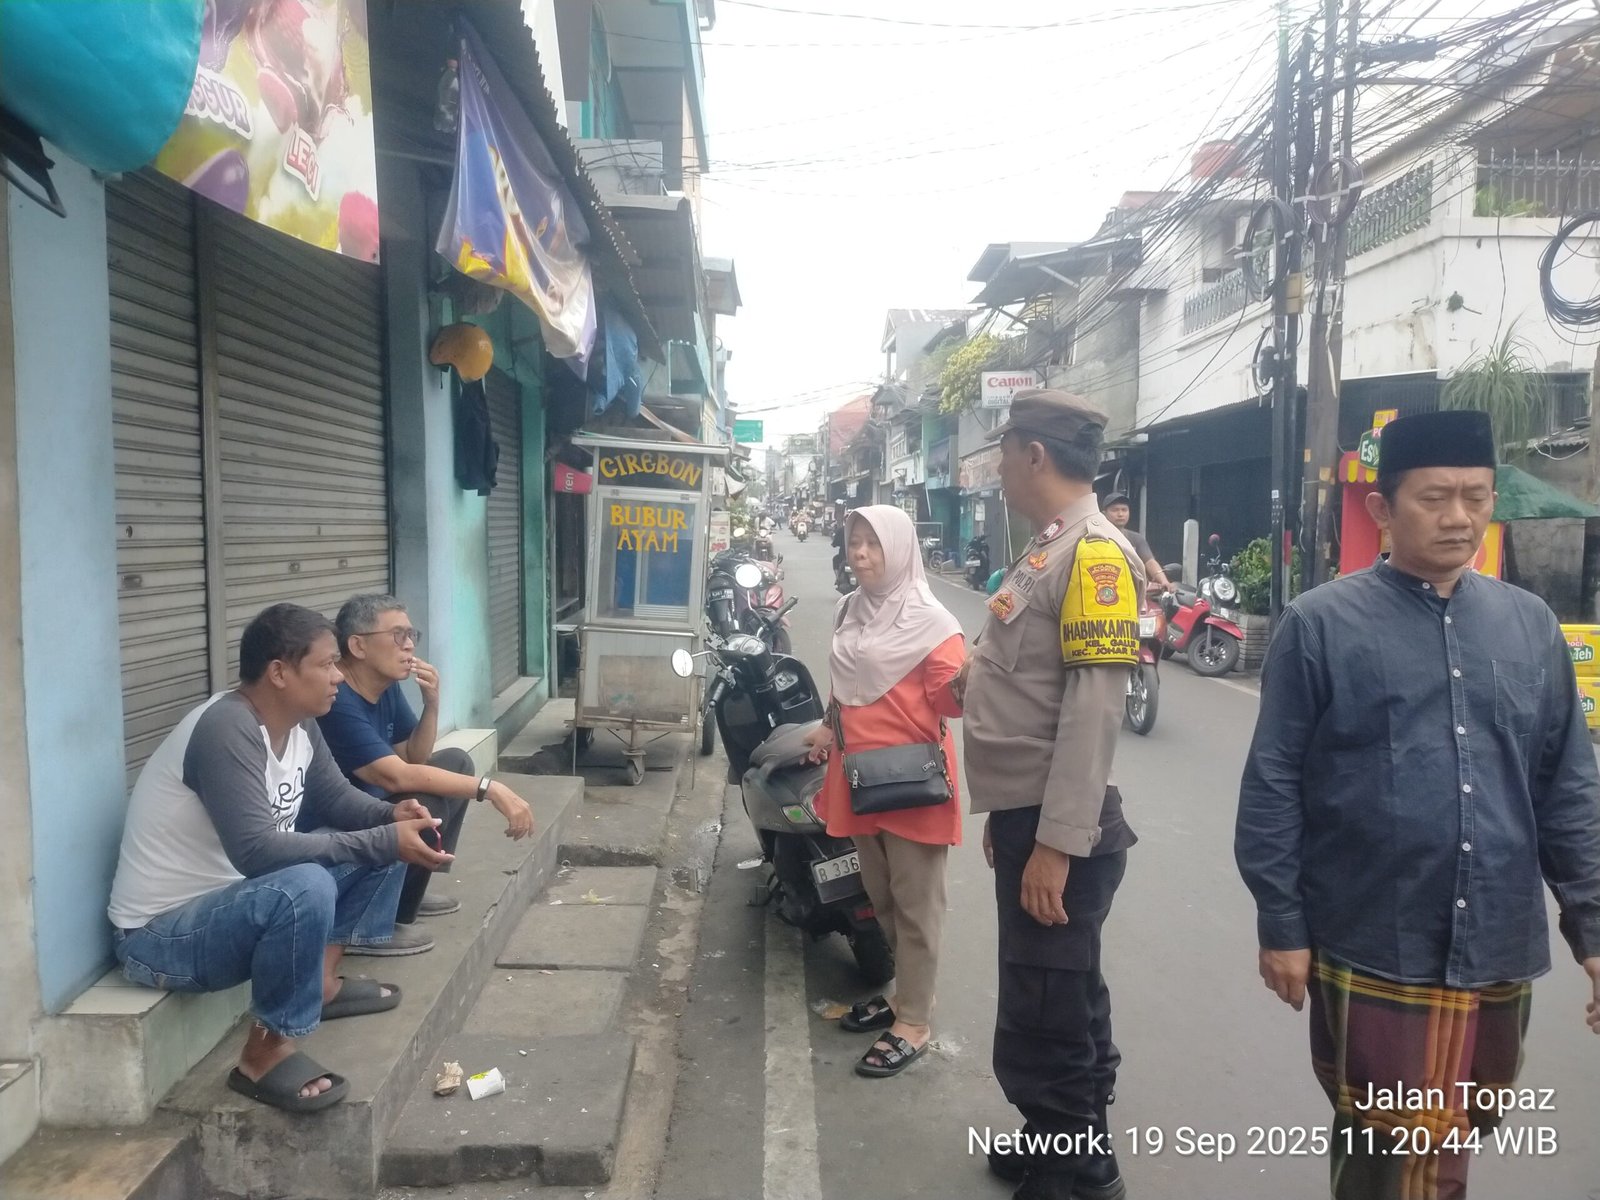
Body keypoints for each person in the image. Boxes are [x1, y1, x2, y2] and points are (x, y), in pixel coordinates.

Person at [1236, 409, 1600, 1200]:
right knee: (1394, 1155)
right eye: (1435, 498)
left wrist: (1592, 929)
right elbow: (1274, 782)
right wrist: (1282, 923)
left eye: (1477, 496)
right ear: (1382, 508)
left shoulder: (1530, 625)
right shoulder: (1320, 625)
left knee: (1460, 1129)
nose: (1460, 516)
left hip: (1498, 937)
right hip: (1380, 934)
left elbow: (1567, 786)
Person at [107, 603, 453, 1114]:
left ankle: (322, 986)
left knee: (381, 833)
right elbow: (257, 851)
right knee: (308, 883)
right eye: (326, 664)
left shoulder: (300, 724)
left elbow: (337, 800)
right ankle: (264, 1053)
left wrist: (392, 814)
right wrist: (383, 837)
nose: (338, 677)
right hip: (160, 936)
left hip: (230, 905)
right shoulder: (227, 728)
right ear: (279, 672)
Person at [958, 390, 1142, 1200]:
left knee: (1049, 1004)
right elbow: (1024, 686)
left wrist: (1056, 845)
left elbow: (1093, 711)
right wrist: (1008, 812)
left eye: (1003, 454)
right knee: (1055, 989)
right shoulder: (1047, 548)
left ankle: (1078, 1174)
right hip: (1029, 810)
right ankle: (1057, 1141)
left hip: (1061, 826)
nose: (997, 470)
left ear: (1034, 455)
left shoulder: (1093, 556)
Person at [802, 506, 965, 1078]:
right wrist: (829, 726)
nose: (861, 553)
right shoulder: (850, 607)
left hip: (910, 781)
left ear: (898, 549)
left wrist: (972, 678)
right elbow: (846, 683)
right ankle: (908, 994)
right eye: (854, 542)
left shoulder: (933, 622)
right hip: (857, 776)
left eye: (873, 543)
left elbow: (948, 701)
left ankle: (914, 1021)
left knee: (917, 908)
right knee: (882, 898)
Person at [318, 594, 534, 952]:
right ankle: (378, 921)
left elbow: (414, 756)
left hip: (375, 810)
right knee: (423, 802)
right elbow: (397, 777)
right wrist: (490, 788)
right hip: (338, 825)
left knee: (456, 761)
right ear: (358, 646)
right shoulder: (337, 699)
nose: (409, 646)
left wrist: (432, 703)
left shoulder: (384, 686)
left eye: (411, 635)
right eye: (397, 635)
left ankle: (410, 888)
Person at [1101, 493, 1174, 592]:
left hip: (1134, 590)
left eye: (1124, 510)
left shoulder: (1136, 538)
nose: (1120, 514)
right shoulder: (1098, 537)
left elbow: (1149, 561)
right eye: (1115, 510)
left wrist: (1164, 581)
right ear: (1104, 514)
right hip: (1105, 588)